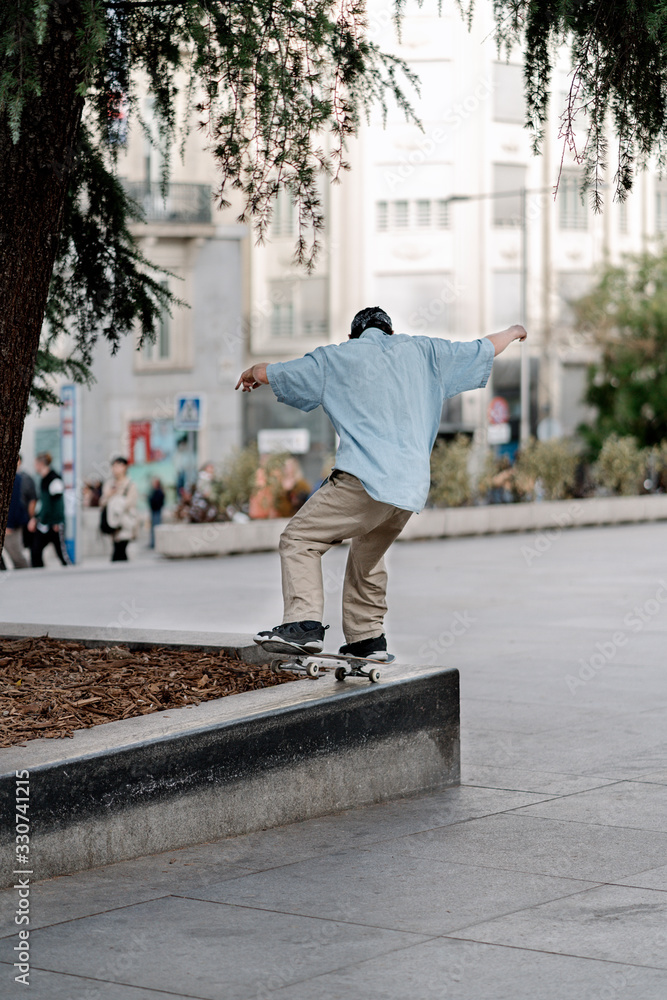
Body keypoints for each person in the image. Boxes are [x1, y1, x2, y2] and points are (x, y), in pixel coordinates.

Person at [236, 306, 527, 657]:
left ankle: (303, 625)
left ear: (353, 335)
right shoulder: (427, 352)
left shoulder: (337, 358)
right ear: (390, 331)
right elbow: (481, 347)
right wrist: (512, 332)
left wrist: (253, 371)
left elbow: (281, 372)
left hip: (364, 480)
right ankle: (367, 638)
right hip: (408, 491)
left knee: (299, 539)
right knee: (367, 556)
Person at [30, 452, 69, 568]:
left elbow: (58, 504)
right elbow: (44, 504)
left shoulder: (54, 479)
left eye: (36, 464)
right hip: (44, 523)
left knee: (61, 553)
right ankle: (38, 573)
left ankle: (70, 571)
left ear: (41, 464)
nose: (35, 467)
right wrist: (36, 518)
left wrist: (57, 521)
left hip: (54, 524)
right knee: (35, 550)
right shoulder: (43, 480)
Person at [100, 457, 139, 561]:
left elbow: (131, 502)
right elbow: (102, 502)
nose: (115, 469)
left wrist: (118, 502)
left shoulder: (130, 484)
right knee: (117, 550)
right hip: (112, 522)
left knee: (120, 549)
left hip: (125, 522)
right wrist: (110, 494)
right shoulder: (109, 484)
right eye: (113, 467)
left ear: (124, 467)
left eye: (118, 466)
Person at [3, 457, 31, 569]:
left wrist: (9, 524)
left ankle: (27, 578)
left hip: (12, 523)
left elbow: (13, 502)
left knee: (17, 556)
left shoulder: (15, 478)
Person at [148, 478, 165, 548]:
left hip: (157, 511)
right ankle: (153, 543)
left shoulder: (159, 492)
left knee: (156, 528)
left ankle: (156, 543)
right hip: (154, 511)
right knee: (153, 528)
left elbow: (159, 501)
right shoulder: (154, 491)